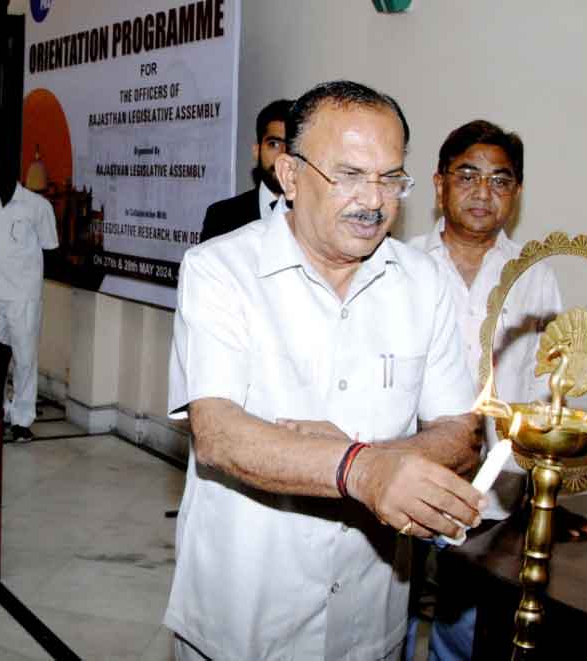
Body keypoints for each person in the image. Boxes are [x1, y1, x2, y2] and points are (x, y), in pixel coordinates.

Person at [166, 80, 485, 660]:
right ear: (290, 176)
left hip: (369, 613)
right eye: (350, 175)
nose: (374, 200)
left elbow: (461, 433)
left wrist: (367, 459)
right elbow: (217, 433)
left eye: (390, 178)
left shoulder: (424, 283)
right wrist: (362, 471)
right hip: (245, 615)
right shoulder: (220, 270)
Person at [404, 119, 587, 661]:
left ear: (516, 193)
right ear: (439, 183)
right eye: (467, 176)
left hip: (493, 494)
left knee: (467, 634)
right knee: (386, 621)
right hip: (405, 478)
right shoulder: (402, 264)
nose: (482, 192)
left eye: (500, 180)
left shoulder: (533, 276)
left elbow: (545, 389)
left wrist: (543, 495)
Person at [0, 156, 58, 441]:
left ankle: (21, 420)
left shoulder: (38, 206)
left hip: (23, 297)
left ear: (11, 171)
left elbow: (50, 248)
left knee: (24, 359)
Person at [199, 98, 291, 242]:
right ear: (256, 151)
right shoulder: (221, 216)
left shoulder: (317, 215)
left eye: (292, 145)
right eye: (274, 144)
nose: (283, 155)